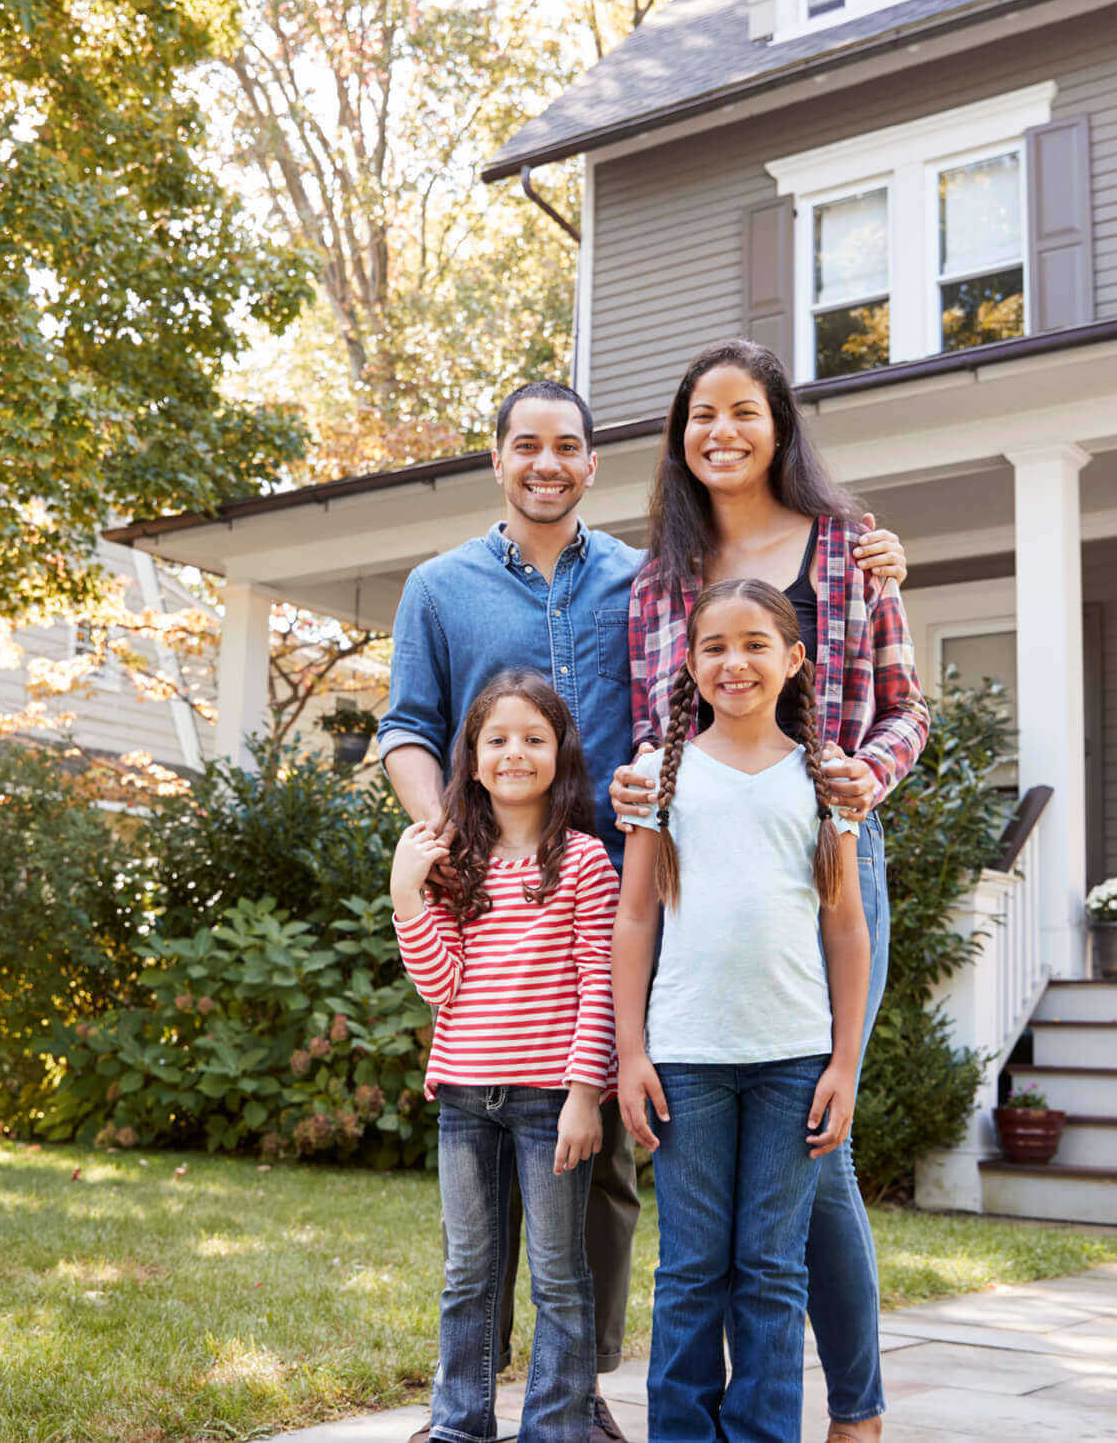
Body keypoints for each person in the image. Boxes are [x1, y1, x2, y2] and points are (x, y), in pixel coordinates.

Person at [378, 377, 907, 1443]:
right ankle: (536, 1404)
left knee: (725, 1164)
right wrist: (448, 848)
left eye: (566, 445)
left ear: (594, 461)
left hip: (727, 853)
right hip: (579, 878)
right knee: (597, 1146)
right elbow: (408, 728)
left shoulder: (670, 570)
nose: (545, 463)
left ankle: (817, 1406)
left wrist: (859, 755)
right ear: (494, 457)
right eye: (524, 444)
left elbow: (859, 685)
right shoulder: (463, 586)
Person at [610, 339, 930, 1443]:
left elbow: (906, 710)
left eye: (744, 412)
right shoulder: (655, 577)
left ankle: (856, 1408)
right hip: (695, 873)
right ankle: (801, 1414)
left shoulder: (849, 549)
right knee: (717, 1239)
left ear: (779, 426)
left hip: (827, 857)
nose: (722, 433)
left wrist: (863, 776)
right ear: (679, 435)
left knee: (817, 1143)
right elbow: (645, 731)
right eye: (701, 414)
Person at [611, 578, 870, 1443]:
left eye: (756, 643)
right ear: (689, 662)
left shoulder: (825, 782)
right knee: (690, 1269)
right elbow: (636, 916)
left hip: (794, 1061)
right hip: (685, 1059)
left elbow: (845, 927)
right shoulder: (657, 778)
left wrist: (843, 1064)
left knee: (769, 1269)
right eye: (715, 646)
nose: (736, 662)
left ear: (795, 659)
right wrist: (631, 1054)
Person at [391, 668, 619, 1443]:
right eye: (497, 739)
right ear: (472, 757)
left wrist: (586, 1095)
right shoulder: (457, 863)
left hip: (551, 1100)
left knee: (558, 1274)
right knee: (469, 1275)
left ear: (560, 753)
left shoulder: (586, 861)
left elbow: (601, 986)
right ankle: (459, 1426)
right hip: (463, 1095)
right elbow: (440, 984)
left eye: (533, 738)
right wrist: (407, 896)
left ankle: (555, 1430)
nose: (514, 753)